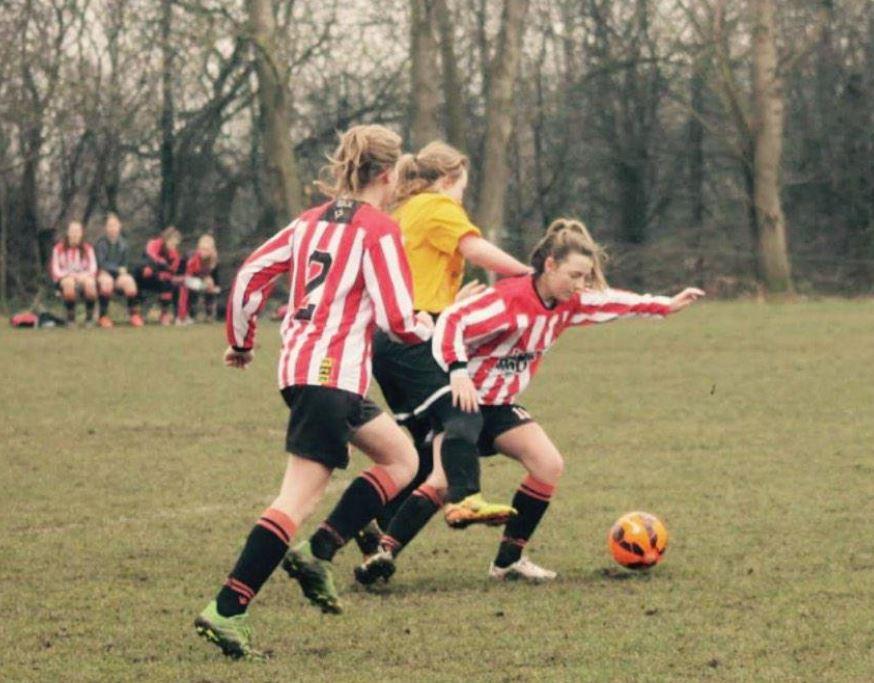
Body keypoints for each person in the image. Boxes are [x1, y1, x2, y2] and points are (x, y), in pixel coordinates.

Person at [194, 125, 433, 661]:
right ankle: (227, 609)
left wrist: (241, 341)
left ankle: (319, 551)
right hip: (330, 376)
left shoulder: (308, 222)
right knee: (296, 498)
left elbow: (251, 274)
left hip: (308, 372)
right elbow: (398, 317)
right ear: (389, 175)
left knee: (401, 457)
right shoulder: (380, 230)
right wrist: (429, 329)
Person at [355, 218, 704, 585]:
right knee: (442, 483)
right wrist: (458, 371)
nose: (581, 285)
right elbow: (454, 320)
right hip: (462, 402)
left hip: (501, 405)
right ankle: (383, 555)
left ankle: (508, 561)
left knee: (548, 463)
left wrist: (665, 305)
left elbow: (615, 302)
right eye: (574, 275)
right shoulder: (509, 300)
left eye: (585, 277)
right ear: (549, 265)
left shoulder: (570, 304)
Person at [351, 141, 533, 564]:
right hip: (414, 335)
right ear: (448, 181)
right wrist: (528, 273)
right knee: (464, 411)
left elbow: (418, 281)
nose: (462, 201)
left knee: (420, 449)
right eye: (463, 190)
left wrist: (452, 305)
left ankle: (370, 519)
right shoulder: (437, 205)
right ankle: (467, 498)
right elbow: (474, 249)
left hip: (388, 339)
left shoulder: (406, 210)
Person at [94, 212, 143, 328]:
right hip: (103, 274)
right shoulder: (100, 243)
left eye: (115, 225)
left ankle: (134, 315)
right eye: (110, 226)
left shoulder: (124, 244)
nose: (112, 228)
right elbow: (101, 263)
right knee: (107, 282)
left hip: (118, 276)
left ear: (119, 226)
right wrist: (116, 269)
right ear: (106, 228)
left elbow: (125, 265)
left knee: (129, 282)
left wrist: (122, 271)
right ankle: (103, 316)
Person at [49, 220, 98, 327]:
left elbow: (93, 268)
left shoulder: (88, 248)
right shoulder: (58, 248)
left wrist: (84, 276)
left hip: (83, 276)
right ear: (68, 233)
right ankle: (71, 318)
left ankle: (89, 318)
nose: (75, 234)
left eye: (77, 231)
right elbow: (55, 269)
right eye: (72, 231)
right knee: (69, 284)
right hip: (65, 278)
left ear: (81, 234)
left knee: (90, 284)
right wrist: (67, 275)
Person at [134, 226, 182, 325]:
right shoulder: (153, 244)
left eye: (175, 244)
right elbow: (150, 257)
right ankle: (138, 312)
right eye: (171, 242)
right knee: (145, 272)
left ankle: (165, 314)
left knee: (170, 284)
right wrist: (160, 265)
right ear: (165, 239)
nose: (173, 246)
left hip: (161, 280)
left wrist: (166, 275)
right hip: (147, 277)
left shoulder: (175, 255)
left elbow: (173, 271)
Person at [177, 233, 220, 324]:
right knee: (197, 286)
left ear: (212, 249)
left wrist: (213, 286)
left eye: (207, 249)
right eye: (202, 249)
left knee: (210, 287)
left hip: (196, 282)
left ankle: (209, 315)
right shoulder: (191, 258)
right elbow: (186, 275)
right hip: (181, 280)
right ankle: (185, 315)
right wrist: (204, 281)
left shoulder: (214, 261)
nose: (203, 252)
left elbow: (216, 280)